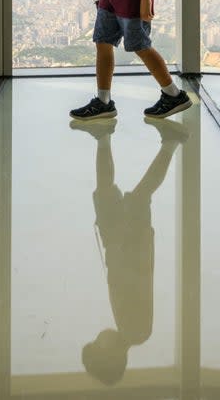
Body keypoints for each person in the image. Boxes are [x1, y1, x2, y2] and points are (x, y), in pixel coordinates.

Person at [71, 115, 188, 385]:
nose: (98, 336)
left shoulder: (131, 331)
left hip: (125, 242)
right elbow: (133, 279)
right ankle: (169, 141)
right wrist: (118, 243)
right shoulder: (135, 332)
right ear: (110, 355)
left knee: (108, 192)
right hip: (127, 242)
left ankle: (105, 137)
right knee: (136, 195)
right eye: (97, 344)